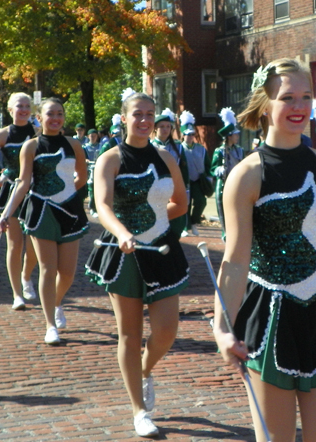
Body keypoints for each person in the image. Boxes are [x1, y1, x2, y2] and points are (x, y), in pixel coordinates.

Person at [213, 58, 316, 442]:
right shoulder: (246, 174)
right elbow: (235, 260)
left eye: (306, 96)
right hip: (269, 318)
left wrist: (305, 266)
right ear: (265, 106)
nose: (299, 107)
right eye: (288, 97)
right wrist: (222, 327)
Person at [85, 90, 189, 438]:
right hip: (125, 254)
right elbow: (102, 205)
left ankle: (144, 371)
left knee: (166, 331)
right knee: (129, 334)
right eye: (137, 115)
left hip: (161, 250)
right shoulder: (110, 159)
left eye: (150, 114)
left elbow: (180, 203)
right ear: (124, 118)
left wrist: (156, 222)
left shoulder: (166, 157)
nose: (144, 121)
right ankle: (139, 411)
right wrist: (123, 233)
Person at [0, 97, 89, 345]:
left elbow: (82, 175)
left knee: (68, 273)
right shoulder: (31, 146)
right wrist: (7, 212)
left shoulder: (74, 144)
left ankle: (57, 301)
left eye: (60, 113)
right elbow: (23, 183)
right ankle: (50, 325)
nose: (56, 118)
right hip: (42, 212)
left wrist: (68, 192)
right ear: (39, 118)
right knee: (48, 269)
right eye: (50, 114)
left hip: (70, 210)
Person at [0, 93, 39, 310]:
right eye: (19, 106)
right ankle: (16, 294)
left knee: (34, 245)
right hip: (13, 190)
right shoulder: (3, 134)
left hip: (37, 192)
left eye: (27, 106)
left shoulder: (38, 132)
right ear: (10, 110)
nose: (23, 110)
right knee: (14, 244)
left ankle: (26, 274)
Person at [151, 108, 189, 239]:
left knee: (176, 222)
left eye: (168, 127)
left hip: (174, 189)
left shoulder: (178, 147)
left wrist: (186, 188)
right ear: (155, 128)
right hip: (155, 189)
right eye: (162, 127)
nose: (165, 129)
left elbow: (184, 169)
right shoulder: (148, 146)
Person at [210, 107, 245, 241]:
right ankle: (226, 232)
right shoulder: (219, 151)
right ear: (229, 136)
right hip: (223, 184)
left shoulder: (240, 150)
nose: (238, 136)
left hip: (237, 183)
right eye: (235, 134)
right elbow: (212, 168)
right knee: (223, 209)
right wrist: (218, 169)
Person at [180, 110, 211, 237]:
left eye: (192, 134)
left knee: (200, 202)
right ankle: (185, 227)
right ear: (182, 135)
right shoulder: (179, 148)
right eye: (187, 134)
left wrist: (209, 178)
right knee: (185, 204)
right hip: (184, 181)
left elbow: (208, 165)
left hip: (198, 181)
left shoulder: (201, 149)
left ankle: (194, 222)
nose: (190, 137)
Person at [83, 128, 100, 217]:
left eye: (94, 136)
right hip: (89, 169)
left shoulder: (101, 146)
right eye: (91, 136)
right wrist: (86, 160)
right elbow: (83, 158)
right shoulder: (85, 147)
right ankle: (90, 207)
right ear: (88, 137)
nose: (93, 137)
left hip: (99, 169)